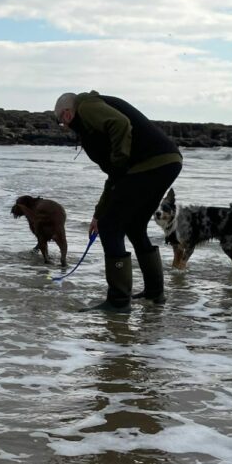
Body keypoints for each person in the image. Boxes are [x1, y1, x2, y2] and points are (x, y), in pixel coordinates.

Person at [54, 91, 182, 311]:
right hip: (167, 161)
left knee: (111, 227)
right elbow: (115, 177)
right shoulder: (94, 117)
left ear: (66, 115)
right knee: (134, 225)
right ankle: (154, 293)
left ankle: (118, 301)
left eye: (62, 123)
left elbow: (120, 124)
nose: (65, 128)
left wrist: (120, 161)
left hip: (150, 164)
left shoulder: (86, 106)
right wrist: (98, 213)